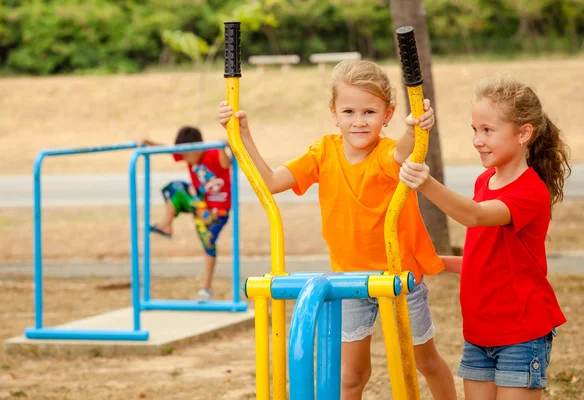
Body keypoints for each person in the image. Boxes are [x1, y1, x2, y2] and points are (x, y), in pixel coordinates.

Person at [219, 60, 457, 399]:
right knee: (351, 375)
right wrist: (242, 136)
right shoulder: (323, 152)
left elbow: (405, 152)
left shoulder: (387, 152)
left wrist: (415, 128)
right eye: (349, 111)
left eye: (369, 112)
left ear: (387, 114)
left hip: (399, 276)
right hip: (348, 279)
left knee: (423, 362)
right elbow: (270, 182)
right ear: (334, 112)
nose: (359, 121)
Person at [399, 76, 570, 400]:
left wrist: (426, 184)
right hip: (479, 332)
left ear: (523, 134)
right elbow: (486, 257)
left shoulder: (530, 192)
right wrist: (432, 261)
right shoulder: (484, 181)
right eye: (474, 130)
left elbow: (475, 216)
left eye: (488, 130)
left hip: (521, 332)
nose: (477, 140)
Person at [140, 126, 232, 303]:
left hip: (217, 211)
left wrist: (222, 147)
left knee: (209, 244)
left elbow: (225, 164)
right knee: (174, 189)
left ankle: (206, 288)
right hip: (200, 205)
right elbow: (167, 150)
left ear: (198, 147)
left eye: (188, 154)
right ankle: (165, 225)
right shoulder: (188, 155)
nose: (186, 159)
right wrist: (148, 142)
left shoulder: (211, 152)